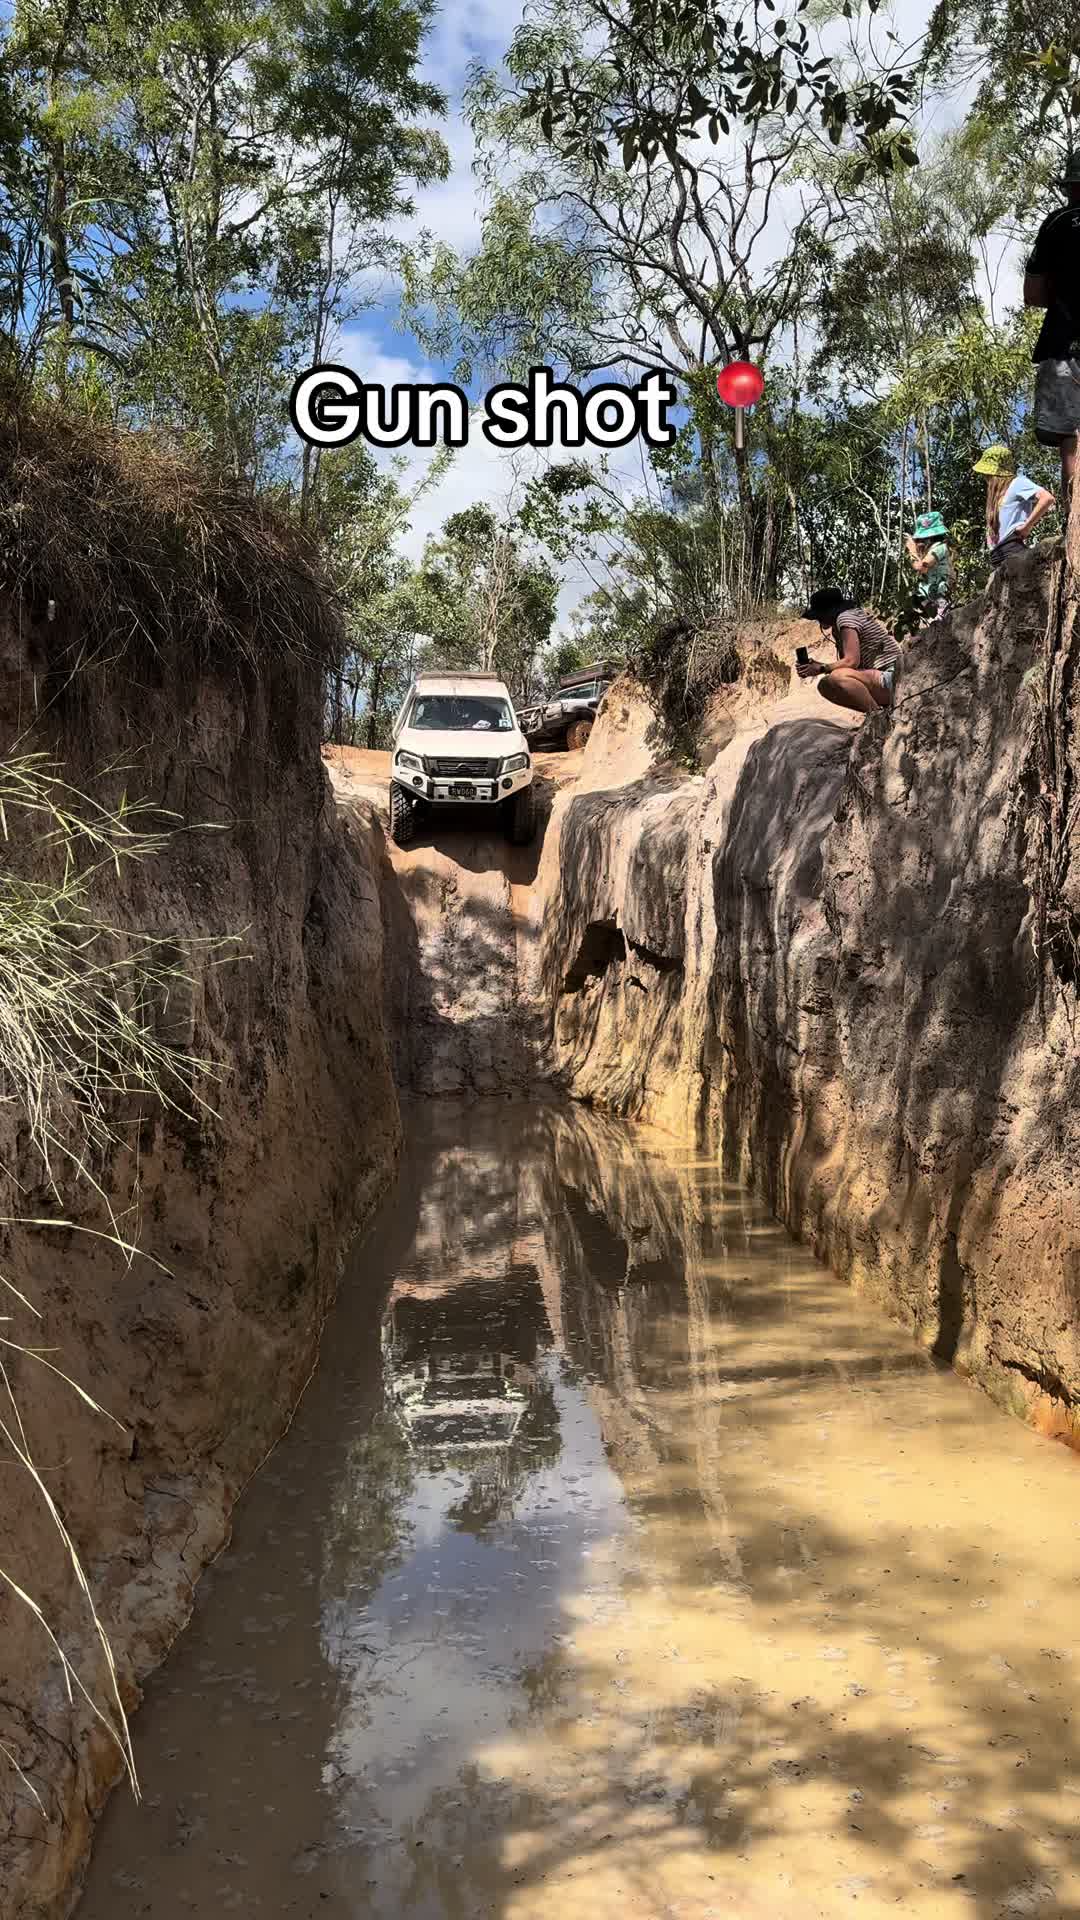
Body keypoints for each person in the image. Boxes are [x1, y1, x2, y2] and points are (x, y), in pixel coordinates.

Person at [1023, 152, 1080, 498]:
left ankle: (1075, 518)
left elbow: (1032, 294)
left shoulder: (1057, 223)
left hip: (1064, 347)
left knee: (1071, 440)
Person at [796, 588, 900, 715]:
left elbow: (852, 661)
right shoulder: (838, 627)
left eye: (819, 615)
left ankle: (877, 717)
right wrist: (817, 665)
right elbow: (849, 665)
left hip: (895, 677)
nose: (818, 620)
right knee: (825, 685)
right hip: (882, 680)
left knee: (838, 677)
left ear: (828, 612)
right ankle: (878, 713)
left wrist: (821, 668)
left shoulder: (845, 618)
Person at [972, 444, 1055, 571]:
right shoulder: (998, 494)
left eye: (987, 474)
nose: (985, 477)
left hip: (1012, 549)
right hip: (997, 554)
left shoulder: (1017, 482)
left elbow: (1047, 498)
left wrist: (1027, 526)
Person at [904, 510, 953, 622]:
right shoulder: (931, 549)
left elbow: (921, 567)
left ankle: (942, 612)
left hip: (939, 593)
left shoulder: (939, 548)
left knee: (942, 619)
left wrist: (912, 550)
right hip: (929, 594)